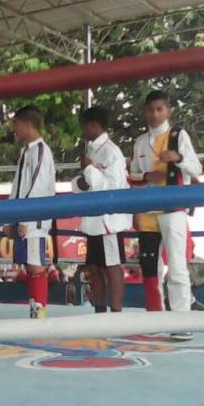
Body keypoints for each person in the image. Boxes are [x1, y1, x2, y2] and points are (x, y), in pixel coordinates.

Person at [130, 90, 201, 339]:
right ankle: (154, 319)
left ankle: (181, 321)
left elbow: (196, 167)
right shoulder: (140, 142)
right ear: (145, 112)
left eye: (159, 109)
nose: (155, 114)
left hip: (173, 209)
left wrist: (178, 158)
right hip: (148, 210)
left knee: (177, 265)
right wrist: (148, 177)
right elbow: (133, 176)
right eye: (150, 109)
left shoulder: (179, 136)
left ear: (168, 110)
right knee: (149, 268)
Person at [70, 105, 131, 314]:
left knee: (112, 266)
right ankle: (100, 310)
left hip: (108, 221)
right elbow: (86, 182)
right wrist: (82, 182)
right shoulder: (91, 149)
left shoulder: (112, 151)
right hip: (93, 219)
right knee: (94, 267)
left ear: (93, 125)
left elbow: (111, 187)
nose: (82, 131)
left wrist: (88, 169)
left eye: (84, 126)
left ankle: (116, 313)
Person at [4, 104, 56, 319]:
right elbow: (17, 186)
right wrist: (8, 218)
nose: (13, 129)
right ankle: (35, 310)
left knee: (35, 266)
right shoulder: (26, 151)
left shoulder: (41, 150)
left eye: (15, 124)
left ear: (26, 124)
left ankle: (40, 313)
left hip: (34, 219)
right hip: (23, 217)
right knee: (29, 265)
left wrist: (24, 218)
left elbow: (37, 186)